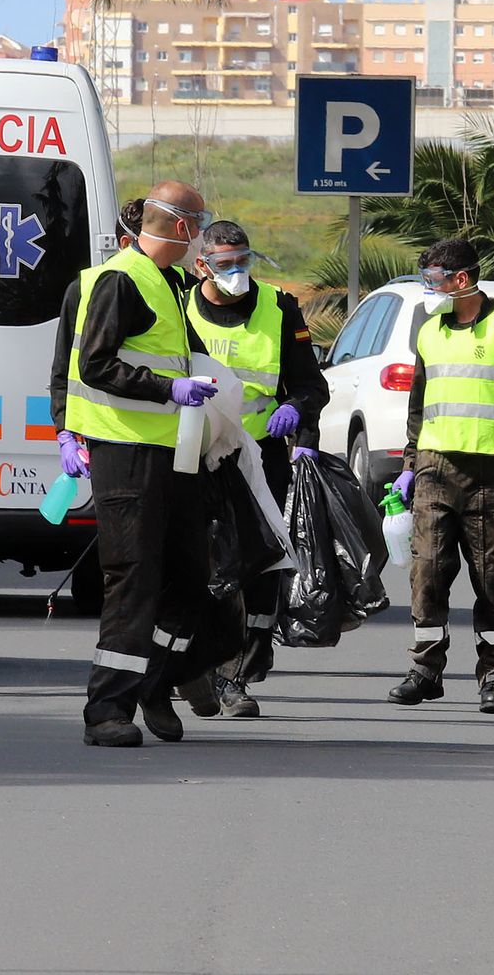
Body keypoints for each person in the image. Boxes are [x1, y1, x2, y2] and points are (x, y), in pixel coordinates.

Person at [59, 181, 220, 748]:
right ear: (180, 227)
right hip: (125, 452)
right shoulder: (120, 279)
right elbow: (95, 365)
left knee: (191, 579)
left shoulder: (169, 280)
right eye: (199, 223)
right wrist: (168, 389)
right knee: (133, 582)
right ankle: (106, 710)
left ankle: (153, 682)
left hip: (171, 451)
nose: (202, 233)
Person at [387, 238, 494, 714]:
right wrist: (408, 465)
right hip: (433, 470)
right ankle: (425, 669)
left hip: (490, 472)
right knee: (427, 570)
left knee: (491, 576)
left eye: (433, 279)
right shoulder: (428, 331)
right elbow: (418, 407)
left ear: (461, 279)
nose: (428, 289)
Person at [182, 220, 329, 718]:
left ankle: (238, 676)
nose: (238, 271)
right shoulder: (176, 304)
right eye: (225, 264)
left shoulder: (279, 307)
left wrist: (299, 415)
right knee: (198, 564)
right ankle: (194, 661)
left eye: (245, 260)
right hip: (195, 453)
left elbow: (312, 385)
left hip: (260, 455)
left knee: (260, 564)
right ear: (202, 264)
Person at [49, 198, 146, 447]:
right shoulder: (85, 287)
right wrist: (64, 429)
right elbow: (63, 365)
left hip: (162, 435)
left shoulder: (173, 284)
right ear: (126, 243)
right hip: (105, 433)